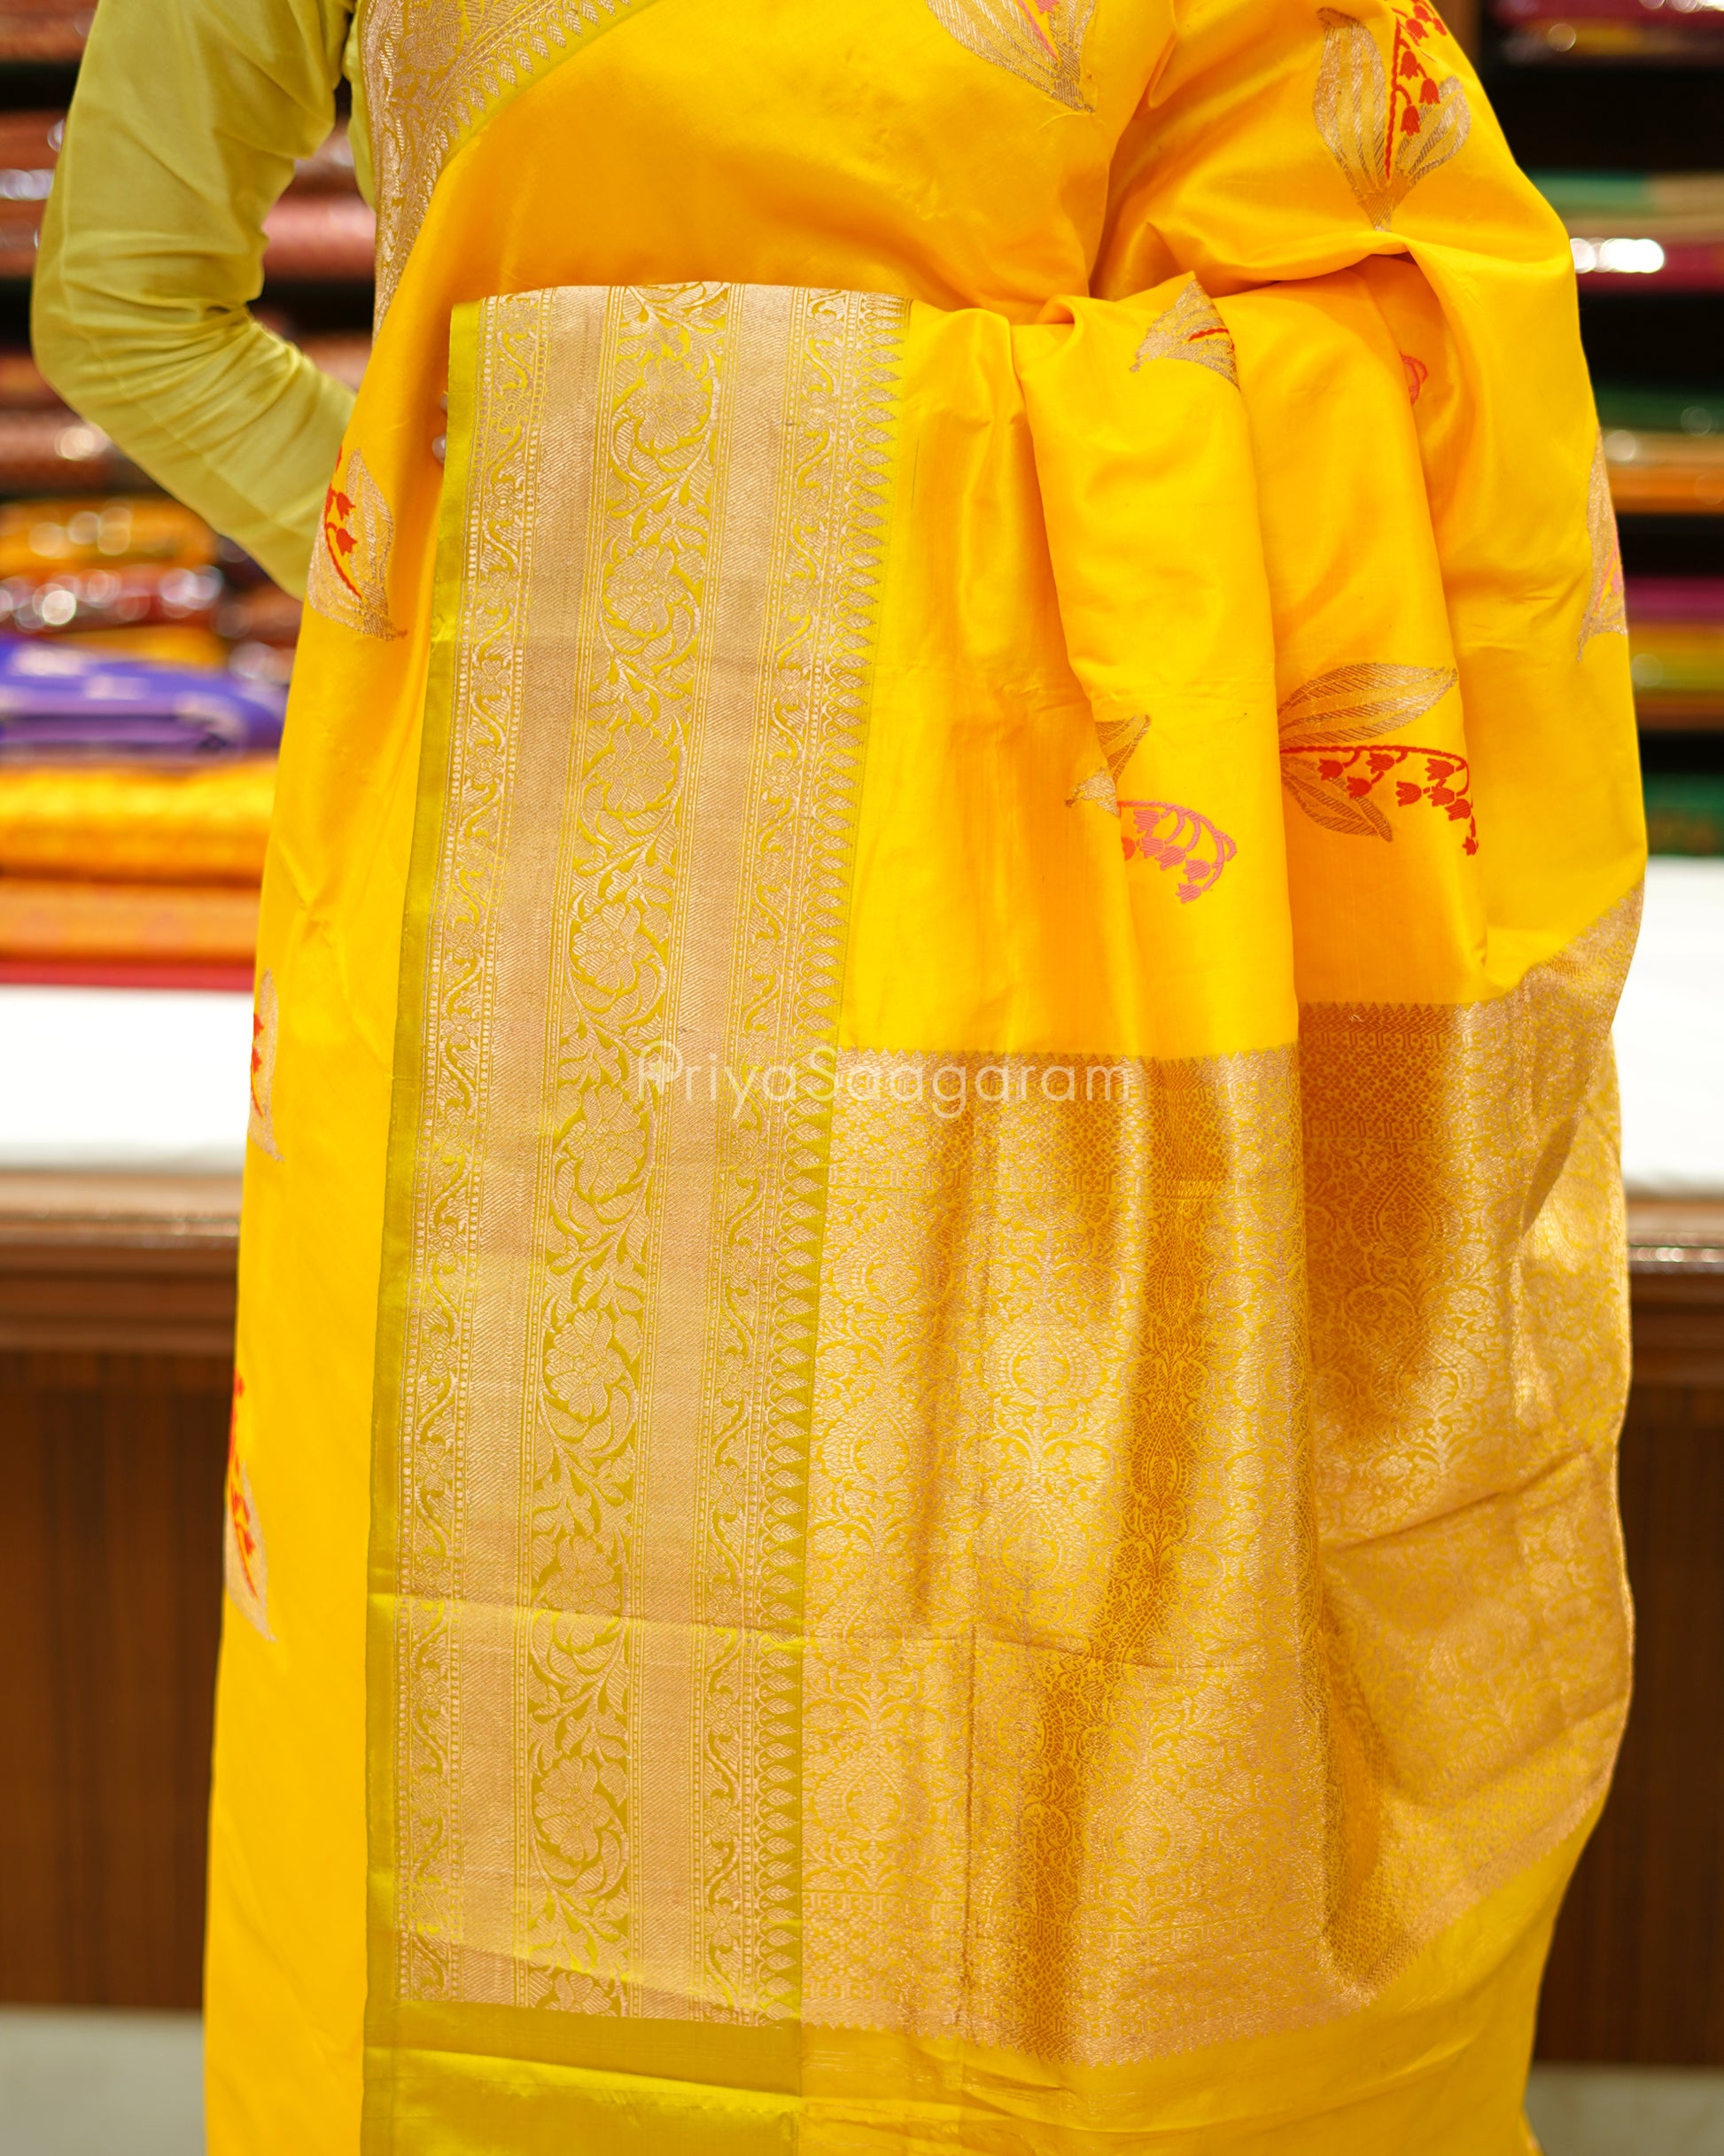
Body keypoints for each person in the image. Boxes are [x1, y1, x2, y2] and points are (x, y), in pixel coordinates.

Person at [35, 0, 1645, 2148]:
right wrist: (471, 558)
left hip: (1074, 970)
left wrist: (708, 532)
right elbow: (129, 305)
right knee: (514, 1754)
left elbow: (1401, 302)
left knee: (1058, 1688)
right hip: (526, 982)